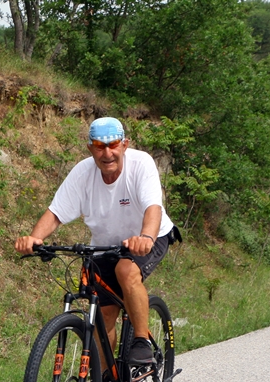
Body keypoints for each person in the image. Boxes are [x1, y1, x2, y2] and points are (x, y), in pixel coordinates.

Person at [15, 117, 178, 367]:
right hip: (105, 246)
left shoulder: (141, 164)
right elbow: (56, 212)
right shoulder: (83, 173)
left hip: (149, 237)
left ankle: (142, 340)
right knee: (104, 314)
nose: (108, 153)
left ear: (125, 144)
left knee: (126, 270)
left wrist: (146, 236)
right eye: (100, 146)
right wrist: (36, 238)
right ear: (90, 147)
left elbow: (153, 208)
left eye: (113, 145)